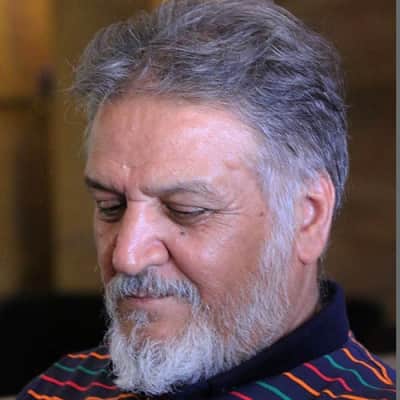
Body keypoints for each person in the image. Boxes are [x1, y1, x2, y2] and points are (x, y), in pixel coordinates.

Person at [18, 1, 395, 399]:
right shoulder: (60, 388)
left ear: (309, 217)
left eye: (186, 210)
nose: (126, 256)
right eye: (110, 206)